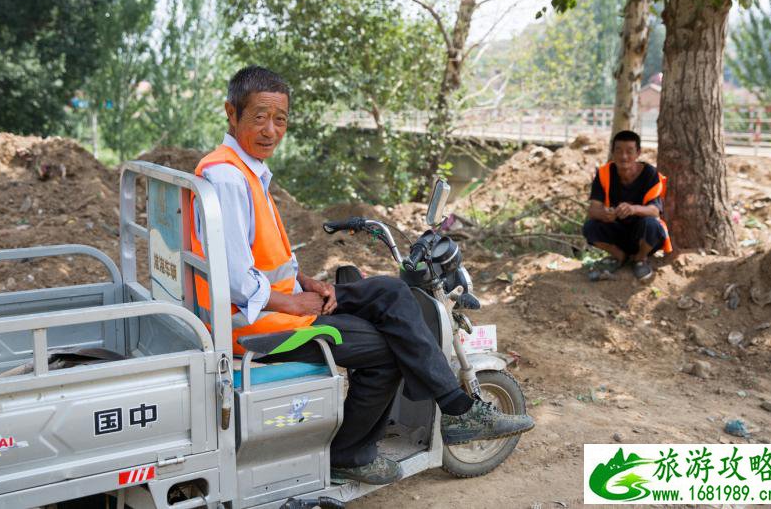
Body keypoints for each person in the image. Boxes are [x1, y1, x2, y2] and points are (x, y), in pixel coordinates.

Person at [190, 66, 534, 485]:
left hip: (280, 302)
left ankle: (457, 408)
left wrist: (307, 284)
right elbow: (238, 280)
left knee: (389, 292)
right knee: (387, 350)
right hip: (256, 322)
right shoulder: (227, 176)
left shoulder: (245, 168)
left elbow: (260, 257)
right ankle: (350, 453)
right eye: (259, 116)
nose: (271, 130)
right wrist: (294, 301)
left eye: (280, 119)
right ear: (232, 113)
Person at [582, 130, 672, 281]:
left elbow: (655, 211)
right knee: (590, 227)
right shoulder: (604, 173)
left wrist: (633, 209)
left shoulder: (650, 174)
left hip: (643, 236)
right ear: (612, 152)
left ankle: (640, 259)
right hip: (617, 231)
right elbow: (593, 209)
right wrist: (605, 214)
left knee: (652, 225)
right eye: (619, 151)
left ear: (638, 153)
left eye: (629, 151)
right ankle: (619, 256)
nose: (624, 157)